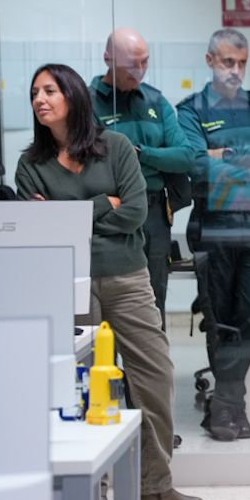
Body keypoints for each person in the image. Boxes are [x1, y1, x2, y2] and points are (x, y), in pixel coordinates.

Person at [15, 63, 206, 500]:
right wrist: (104, 205)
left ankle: (153, 487)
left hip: (127, 277)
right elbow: (45, 231)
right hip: (70, 284)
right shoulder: (30, 165)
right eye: (35, 93)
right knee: (82, 387)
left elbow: (137, 213)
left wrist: (71, 215)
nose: (40, 99)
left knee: (153, 376)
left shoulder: (116, 147)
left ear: (74, 97)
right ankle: (92, 492)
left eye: (50, 91)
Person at [177, 28, 250, 442]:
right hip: (213, 224)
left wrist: (221, 154)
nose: (235, 70)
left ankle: (225, 406)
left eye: (241, 63)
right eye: (228, 62)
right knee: (221, 319)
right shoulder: (190, 110)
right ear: (210, 61)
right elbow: (193, 163)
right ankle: (229, 407)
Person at [90, 27, 194, 328]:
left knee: (153, 301)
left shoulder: (155, 101)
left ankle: (147, 376)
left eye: (145, 61)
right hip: (113, 213)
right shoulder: (89, 103)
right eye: (131, 64)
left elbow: (185, 156)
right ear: (108, 59)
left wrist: (141, 154)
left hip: (154, 213)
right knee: (108, 306)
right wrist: (155, 160)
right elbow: (97, 165)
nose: (140, 71)